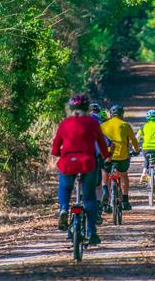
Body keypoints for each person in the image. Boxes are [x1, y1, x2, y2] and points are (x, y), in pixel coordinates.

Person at [51, 94, 110, 245]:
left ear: (71, 108)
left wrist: (59, 153)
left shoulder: (65, 123)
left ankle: (64, 208)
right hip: (87, 162)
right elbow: (102, 145)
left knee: (64, 188)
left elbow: (56, 147)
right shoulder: (92, 123)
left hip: (68, 163)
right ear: (87, 108)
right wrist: (107, 157)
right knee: (89, 197)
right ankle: (91, 232)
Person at [100, 104, 140, 211]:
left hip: (107, 155)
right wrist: (136, 151)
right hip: (122, 156)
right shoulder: (125, 125)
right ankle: (125, 201)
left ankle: (105, 192)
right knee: (123, 175)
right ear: (122, 114)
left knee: (105, 171)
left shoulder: (103, 125)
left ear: (111, 114)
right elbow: (133, 141)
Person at [88, 103, 106, 225]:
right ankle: (98, 211)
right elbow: (105, 143)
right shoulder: (99, 123)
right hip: (93, 158)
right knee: (97, 185)